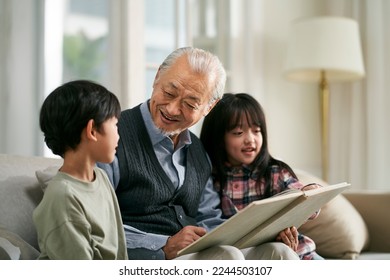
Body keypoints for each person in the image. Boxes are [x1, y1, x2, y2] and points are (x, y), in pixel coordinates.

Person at [99, 47, 298, 260]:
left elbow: (210, 219)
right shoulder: (112, 136)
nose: (173, 109)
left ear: (209, 107)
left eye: (190, 104)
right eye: (169, 93)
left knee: (279, 253)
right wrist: (162, 245)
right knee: (227, 257)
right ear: (157, 77)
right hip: (143, 258)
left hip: (193, 253)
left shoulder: (198, 150)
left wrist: (261, 235)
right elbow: (98, 223)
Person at [200, 92, 324, 260]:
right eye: (238, 132)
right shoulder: (211, 179)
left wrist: (310, 193)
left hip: (302, 253)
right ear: (218, 138)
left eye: (256, 131)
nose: (250, 139)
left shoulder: (273, 172)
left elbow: (304, 201)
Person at [33, 80, 128, 260]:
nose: (118, 134)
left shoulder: (100, 177)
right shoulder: (62, 197)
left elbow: (120, 252)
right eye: (115, 125)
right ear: (92, 130)